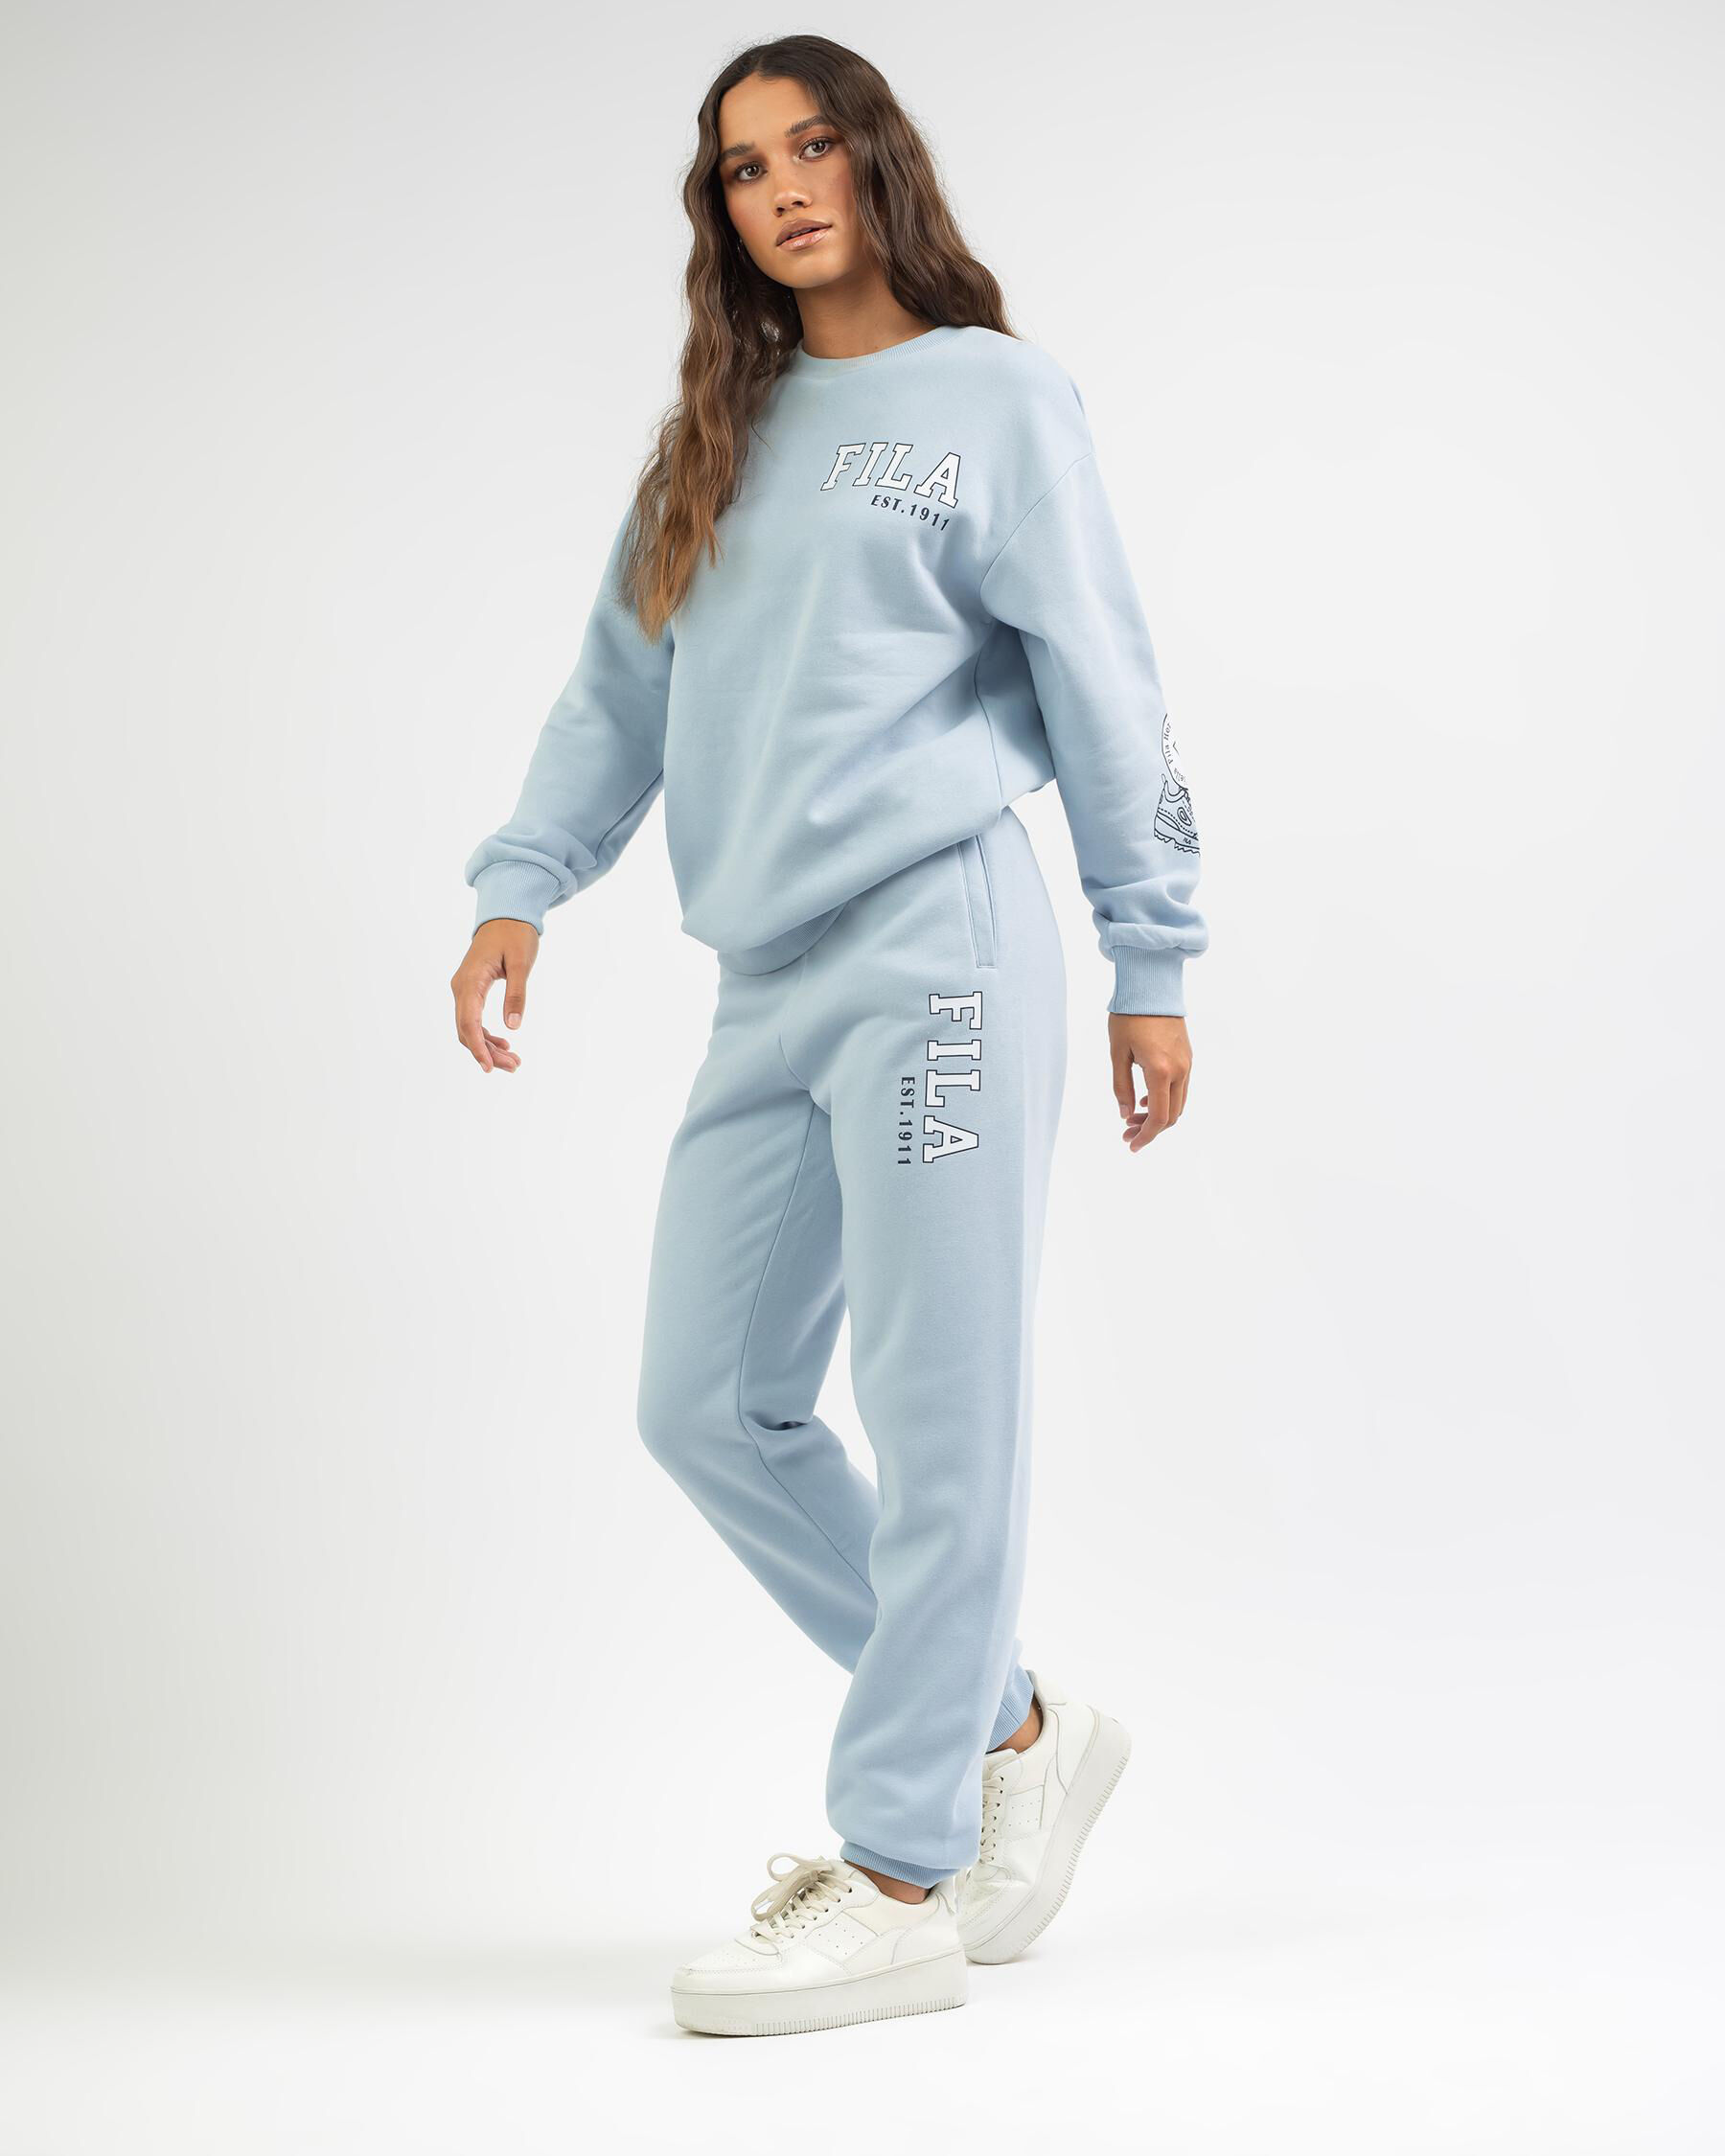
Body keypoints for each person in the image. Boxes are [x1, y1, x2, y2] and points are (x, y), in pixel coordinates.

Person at [451, 34, 1206, 2037]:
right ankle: (1012, 1725)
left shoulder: (996, 401)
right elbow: (616, 691)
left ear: (876, 164)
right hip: (765, 972)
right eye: (741, 167)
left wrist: (1152, 954)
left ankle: (898, 1871)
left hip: (941, 943)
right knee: (709, 1402)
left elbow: (1106, 676)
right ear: (719, 211)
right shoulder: (714, 434)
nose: (781, 188)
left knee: (942, 1408)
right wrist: (525, 878)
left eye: (810, 148)